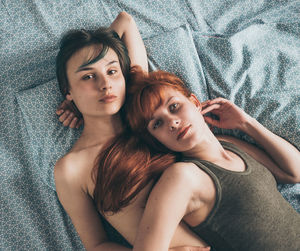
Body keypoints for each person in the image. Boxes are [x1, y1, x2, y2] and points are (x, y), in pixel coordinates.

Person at [54, 11, 210, 251]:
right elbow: (96, 244)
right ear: (68, 91)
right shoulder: (71, 168)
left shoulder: (147, 113)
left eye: (112, 71)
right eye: (88, 77)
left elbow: (125, 21)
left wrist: (99, 46)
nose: (105, 84)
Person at [115, 68, 300, 251]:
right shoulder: (182, 177)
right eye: (157, 124)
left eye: (174, 107)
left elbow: (293, 173)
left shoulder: (228, 144)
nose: (172, 122)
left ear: (195, 102)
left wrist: (246, 123)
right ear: (157, 141)